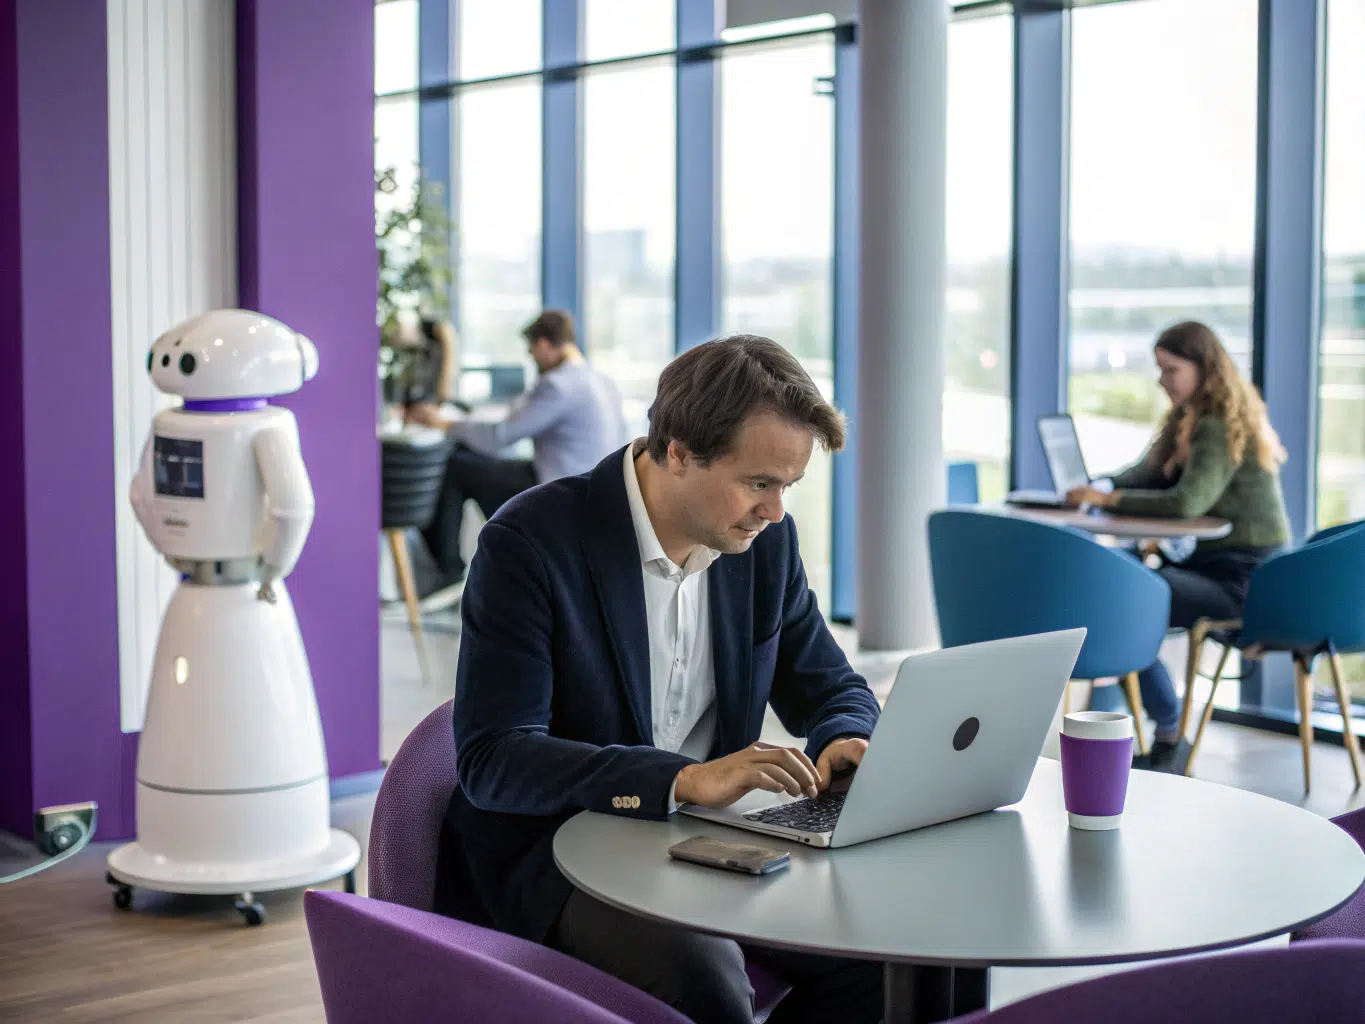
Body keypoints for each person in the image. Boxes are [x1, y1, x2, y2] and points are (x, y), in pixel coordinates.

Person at [438, 335, 884, 1023]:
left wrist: (846, 737)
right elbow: (493, 760)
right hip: (560, 852)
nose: (774, 511)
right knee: (701, 975)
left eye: (787, 487)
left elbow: (828, 684)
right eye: (759, 482)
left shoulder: (761, 546)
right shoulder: (530, 543)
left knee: (891, 961)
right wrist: (676, 780)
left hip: (709, 844)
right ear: (676, 450)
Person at [1065, 320, 1290, 771]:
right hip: (1214, 566)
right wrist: (1100, 484)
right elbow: (1146, 474)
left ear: (1203, 368)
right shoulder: (1188, 418)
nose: (1162, 380)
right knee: (1119, 579)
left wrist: (1107, 499)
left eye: (1171, 370)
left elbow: (1188, 501)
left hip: (1242, 579)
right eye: (1159, 370)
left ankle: (1166, 729)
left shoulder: (1218, 424)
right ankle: (1130, 717)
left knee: (1128, 597)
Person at [414, 309, 624, 594]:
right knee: (478, 462)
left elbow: (500, 437)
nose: (532, 358)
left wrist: (443, 423)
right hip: (594, 485)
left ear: (543, 345)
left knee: (457, 465)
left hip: (562, 487)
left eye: (531, 351)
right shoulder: (598, 380)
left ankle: (447, 571)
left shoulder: (557, 384)